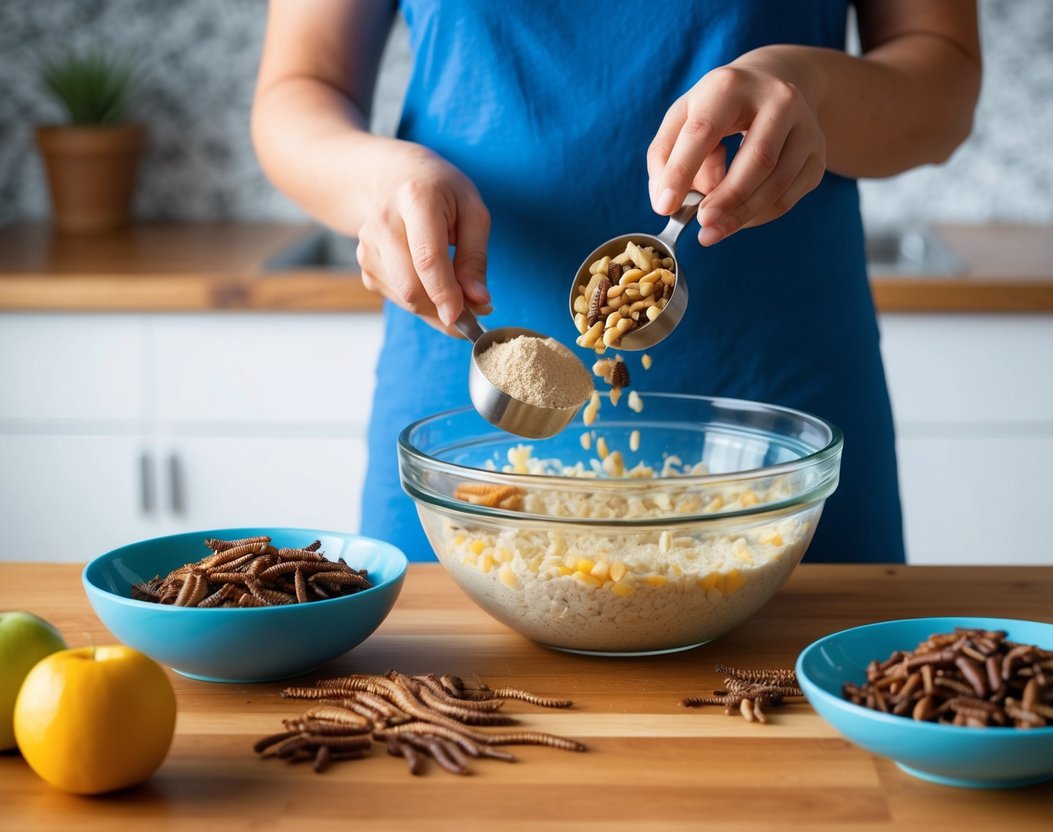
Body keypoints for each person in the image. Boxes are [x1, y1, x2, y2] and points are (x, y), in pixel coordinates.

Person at [251, 0, 981, 564]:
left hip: (776, 416)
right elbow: (298, 89)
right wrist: (375, 178)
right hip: (464, 404)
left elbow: (942, 87)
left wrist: (810, 86)